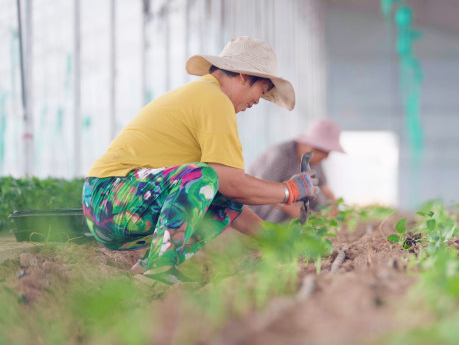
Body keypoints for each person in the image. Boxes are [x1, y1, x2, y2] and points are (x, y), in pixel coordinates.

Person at [82, 36, 320, 285]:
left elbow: (229, 195)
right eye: (260, 91)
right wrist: (289, 191)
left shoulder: (206, 97)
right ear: (242, 75)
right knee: (206, 177)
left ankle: (153, 265)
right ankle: (159, 270)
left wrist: (273, 237)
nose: (257, 101)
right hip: (108, 197)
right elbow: (233, 184)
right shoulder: (214, 100)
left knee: (218, 190)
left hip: (115, 206)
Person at [248, 119, 345, 222]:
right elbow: (260, 190)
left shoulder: (314, 161)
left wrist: (334, 207)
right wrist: (293, 209)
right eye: (325, 154)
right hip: (259, 208)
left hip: (286, 207)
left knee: (315, 193)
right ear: (310, 146)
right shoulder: (281, 155)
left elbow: (325, 189)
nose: (326, 158)